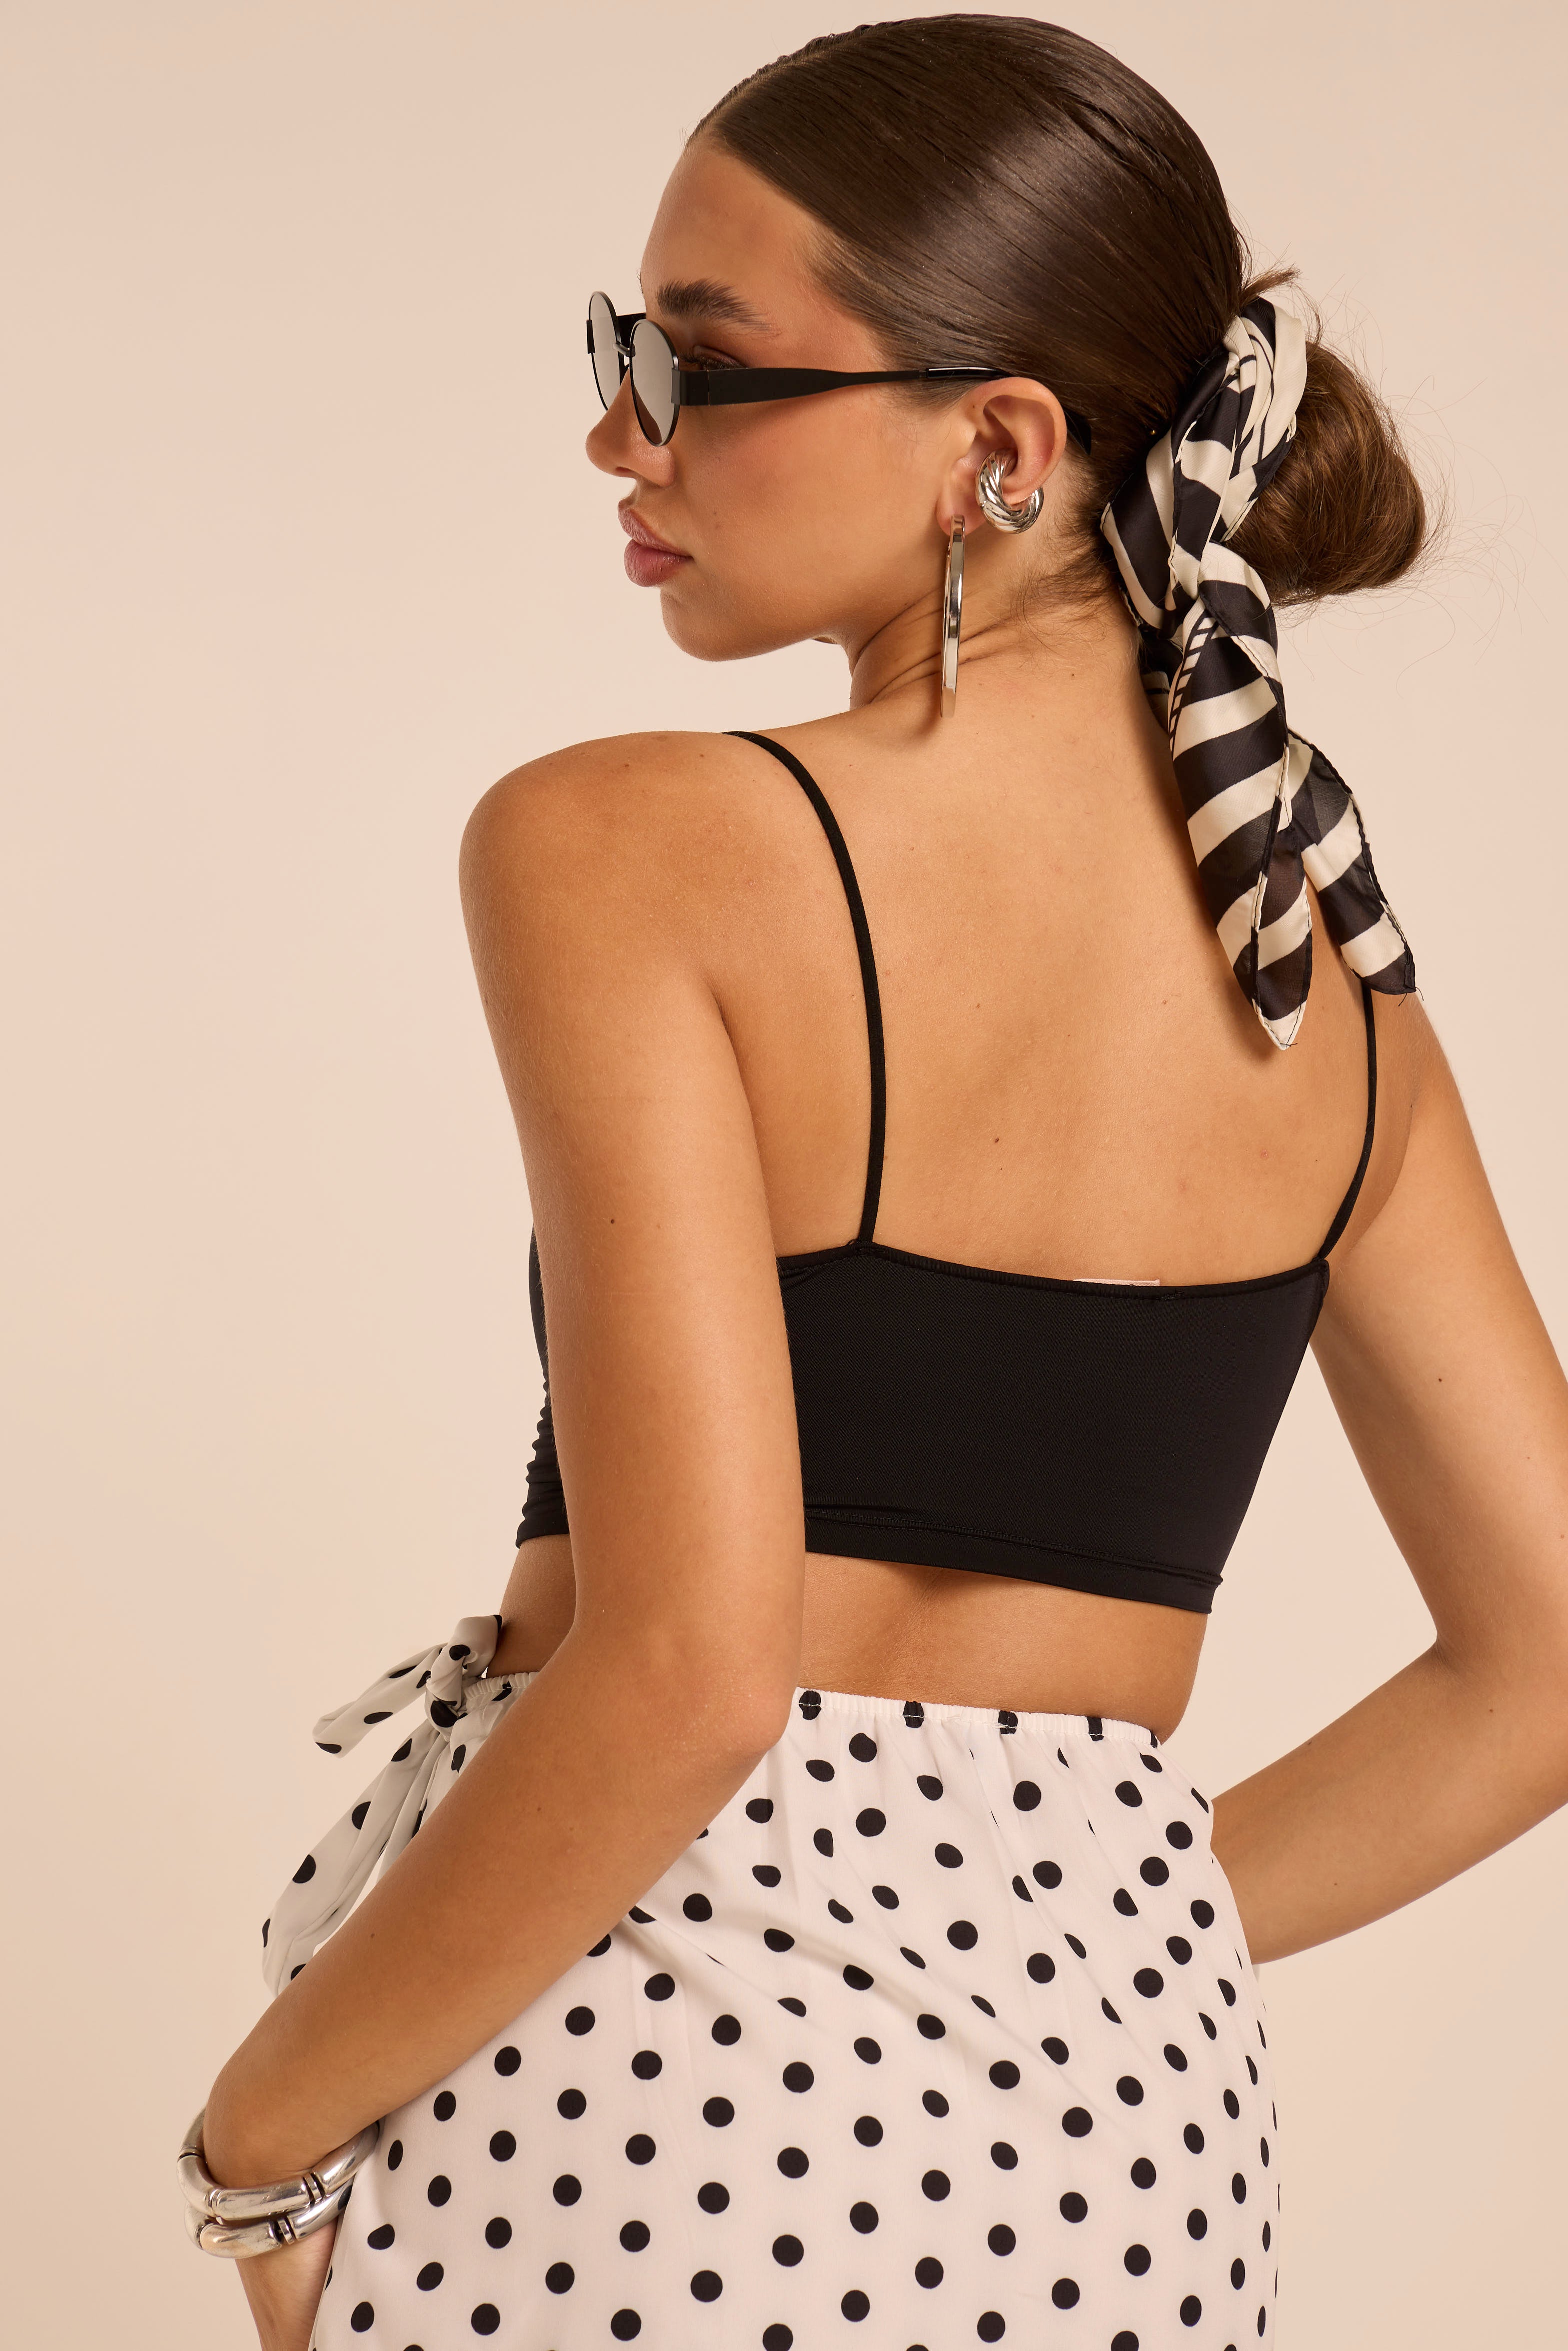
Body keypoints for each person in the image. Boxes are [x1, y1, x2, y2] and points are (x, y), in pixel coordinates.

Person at [184, 19, 1568, 2350]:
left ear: (995, 449)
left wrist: (259, 2143)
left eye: (693, 364)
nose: (617, 433)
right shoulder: (1331, 991)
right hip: (1128, 2155)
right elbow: (1546, 1660)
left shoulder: (630, 843)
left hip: (649, 2101)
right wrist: (1089, 1928)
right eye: (617, 348)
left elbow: (693, 1666)